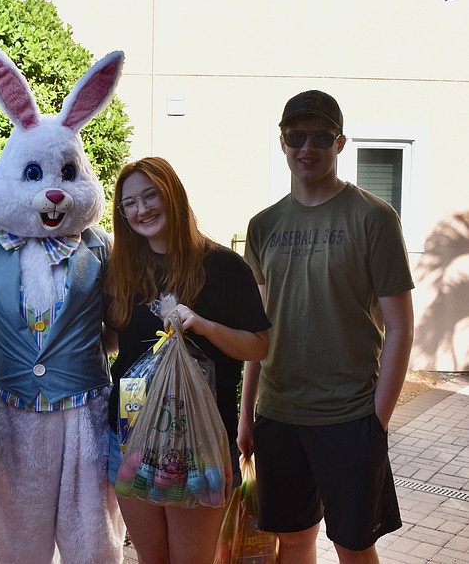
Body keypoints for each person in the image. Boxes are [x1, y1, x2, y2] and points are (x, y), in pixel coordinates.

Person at [238, 90, 415, 564]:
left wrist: (377, 421)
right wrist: (247, 414)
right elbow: (259, 331)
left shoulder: (374, 218)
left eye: (320, 136)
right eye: (297, 136)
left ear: (340, 142)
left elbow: (400, 328)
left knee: (353, 546)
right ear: (282, 142)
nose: (307, 148)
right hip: (279, 416)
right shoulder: (263, 225)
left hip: (351, 416)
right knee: (293, 542)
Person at [103, 156, 270, 563]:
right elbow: (112, 340)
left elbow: (258, 346)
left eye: (150, 195)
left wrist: (204, 326)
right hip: (130, 436)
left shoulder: (224, 267)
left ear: (173, 196)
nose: (141, 210)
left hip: (199, 444)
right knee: (150, 559)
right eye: (130, 203)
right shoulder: (122, 269)